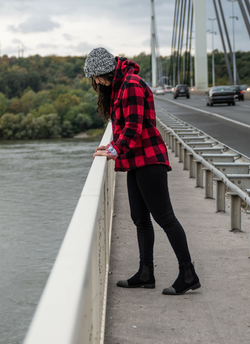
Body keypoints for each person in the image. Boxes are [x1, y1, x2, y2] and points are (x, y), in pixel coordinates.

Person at [85, 47, 200, 296]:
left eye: (95, 76)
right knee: (140, 218)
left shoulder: (131, 84)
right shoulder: (121, 85)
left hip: (149, 160)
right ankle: (146, 273)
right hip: (136, 161)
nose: (96, 82)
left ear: (104, 70)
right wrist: (111, 145)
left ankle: (188, 273)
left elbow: (135, 127)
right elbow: (125, 126)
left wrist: (115, 149)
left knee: (165, 218)